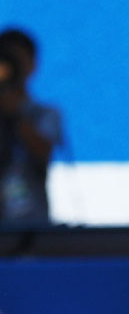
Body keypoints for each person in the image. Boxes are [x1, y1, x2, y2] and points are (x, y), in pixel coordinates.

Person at [0, 29, 62, 227]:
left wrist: (16, 112)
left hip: (32, 225)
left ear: (32, 64)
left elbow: (42, 150)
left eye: (18, 60)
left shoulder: (45, 114)